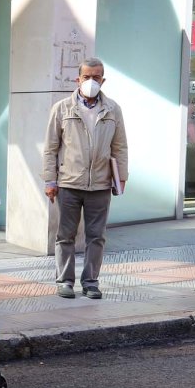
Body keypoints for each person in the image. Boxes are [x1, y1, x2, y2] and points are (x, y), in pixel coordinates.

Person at [41, 57, 129, 300]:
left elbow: (120, 147)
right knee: (65, 235)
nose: (91, 81)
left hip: (100, 183)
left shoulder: (113, 109)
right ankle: (65, 281)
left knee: (96, 237)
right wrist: (50, 181)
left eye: (96, 77)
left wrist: (121, 177)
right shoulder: (61, 109)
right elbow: (50, 148)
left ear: (103, 80)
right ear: (77, 79)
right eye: (87, 77)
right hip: (69, 182)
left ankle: (91, 282)